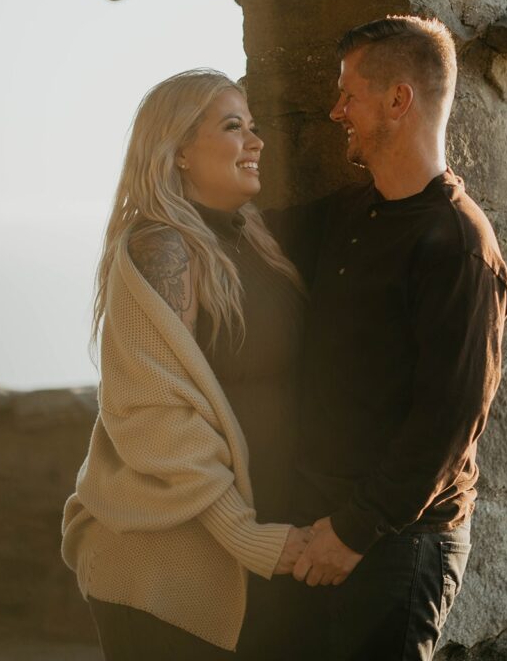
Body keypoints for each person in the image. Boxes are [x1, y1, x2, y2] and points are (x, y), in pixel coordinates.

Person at [267, 16, 507, 661]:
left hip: (398, 545)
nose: (335, 110)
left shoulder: (461, 245)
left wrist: (350, 533)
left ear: (399, 100)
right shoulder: (349, 214)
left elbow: (450, 418)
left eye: (349, 94)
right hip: (318, 526)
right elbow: (246, 236)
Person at [61, 69, 311, 660]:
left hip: (257, 554)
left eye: (252, 127)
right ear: (177, 153)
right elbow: (153, 409)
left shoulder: (253, 240)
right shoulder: (162, 246)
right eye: (232, 128)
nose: (256, 143)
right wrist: (244, 536)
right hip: (166, 571)